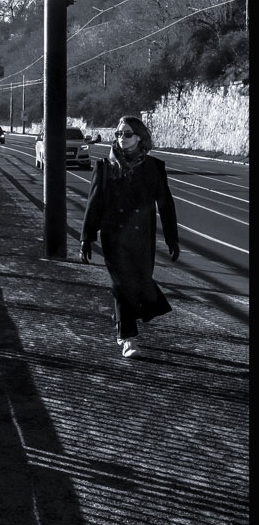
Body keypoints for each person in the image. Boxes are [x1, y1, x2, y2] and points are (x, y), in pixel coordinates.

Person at [80, 116, 180, 358]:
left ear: (139, 138)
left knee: (138, 283)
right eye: (118, 134)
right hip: (114, 237)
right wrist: (86, 237)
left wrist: (171, 238)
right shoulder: (105, 167)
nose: (120, 138)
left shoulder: (154, 168)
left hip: (142, 238)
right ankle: (128, 339)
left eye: (127, 134)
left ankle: (121, 321)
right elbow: (94, 204)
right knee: (121, 284)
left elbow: (166, 205)